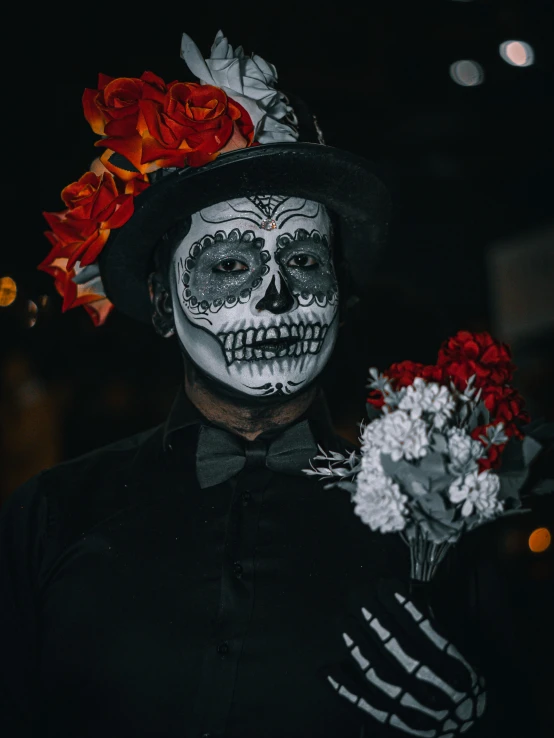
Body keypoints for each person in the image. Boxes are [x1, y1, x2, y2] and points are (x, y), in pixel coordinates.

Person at [0, 29, 545, 738]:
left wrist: (477, 721)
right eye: (228, 265)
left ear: (341, 300)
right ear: (165, 305)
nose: (279, 297)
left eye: (308, 262)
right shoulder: (50, 515)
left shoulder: (433, 528)